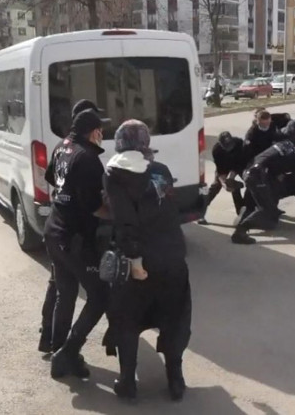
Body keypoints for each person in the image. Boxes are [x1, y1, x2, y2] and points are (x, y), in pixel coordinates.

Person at [103, 120, 191, 401]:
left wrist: (135, 260)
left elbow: (126, 221)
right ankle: (175, 380)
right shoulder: (160, 170)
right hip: (173, 257)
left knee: (128, 320)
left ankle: (128, 382)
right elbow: (170, 210)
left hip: (139, 262)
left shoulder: (114, 173)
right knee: (174, 318)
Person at [41, 99, 109, 380]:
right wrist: (122, 214)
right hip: (75, 239)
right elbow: (96, 207)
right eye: (100, 130)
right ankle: (69, 350)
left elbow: (50, 178)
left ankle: (59, 353)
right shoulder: (89, 159)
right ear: (92, 132)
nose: (102, 134)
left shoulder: (61, 146)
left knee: (65, 292)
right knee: (99, 296)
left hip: (54, 229)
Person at [232, 121, 295, 244]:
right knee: (268, 209)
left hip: (250, 171)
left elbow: (272, 163)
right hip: (258, 175)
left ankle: (245, 219)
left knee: (268, 205)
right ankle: (240, 231)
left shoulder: (285, 144)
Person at [198, 131, 246, 224]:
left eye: (230, 146)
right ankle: (200, 212)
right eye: (226, 147)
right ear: (221, 145)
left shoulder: (239, 143)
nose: (229, 149)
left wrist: (231, 178)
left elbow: (241, 162)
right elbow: (220, 170)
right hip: (224, 168)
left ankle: (242, 212)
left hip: (238, 166)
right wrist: (224, 183)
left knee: (248, 181)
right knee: (215, 186)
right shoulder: (217, 150)